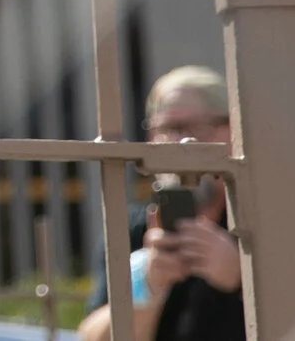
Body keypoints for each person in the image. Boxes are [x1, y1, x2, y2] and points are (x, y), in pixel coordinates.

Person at [79, 65, 242, 341]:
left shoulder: (262, 218)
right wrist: (148, 288)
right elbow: (90, 337)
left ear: (234, 132)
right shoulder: (135, 227)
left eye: (197, 127)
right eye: (166, 128)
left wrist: (241, 278)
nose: (180, 142)